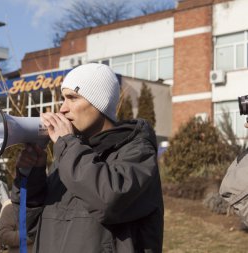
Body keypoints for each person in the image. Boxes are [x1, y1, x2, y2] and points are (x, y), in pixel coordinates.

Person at [11, 63, 164, 252]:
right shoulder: (70, 157)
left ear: (100, 102)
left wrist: (67, 144)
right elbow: (31, 229)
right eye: (63, 99)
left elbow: (108, 200)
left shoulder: (137, 152)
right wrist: (33, 175)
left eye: (72, 98)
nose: (62, 109)